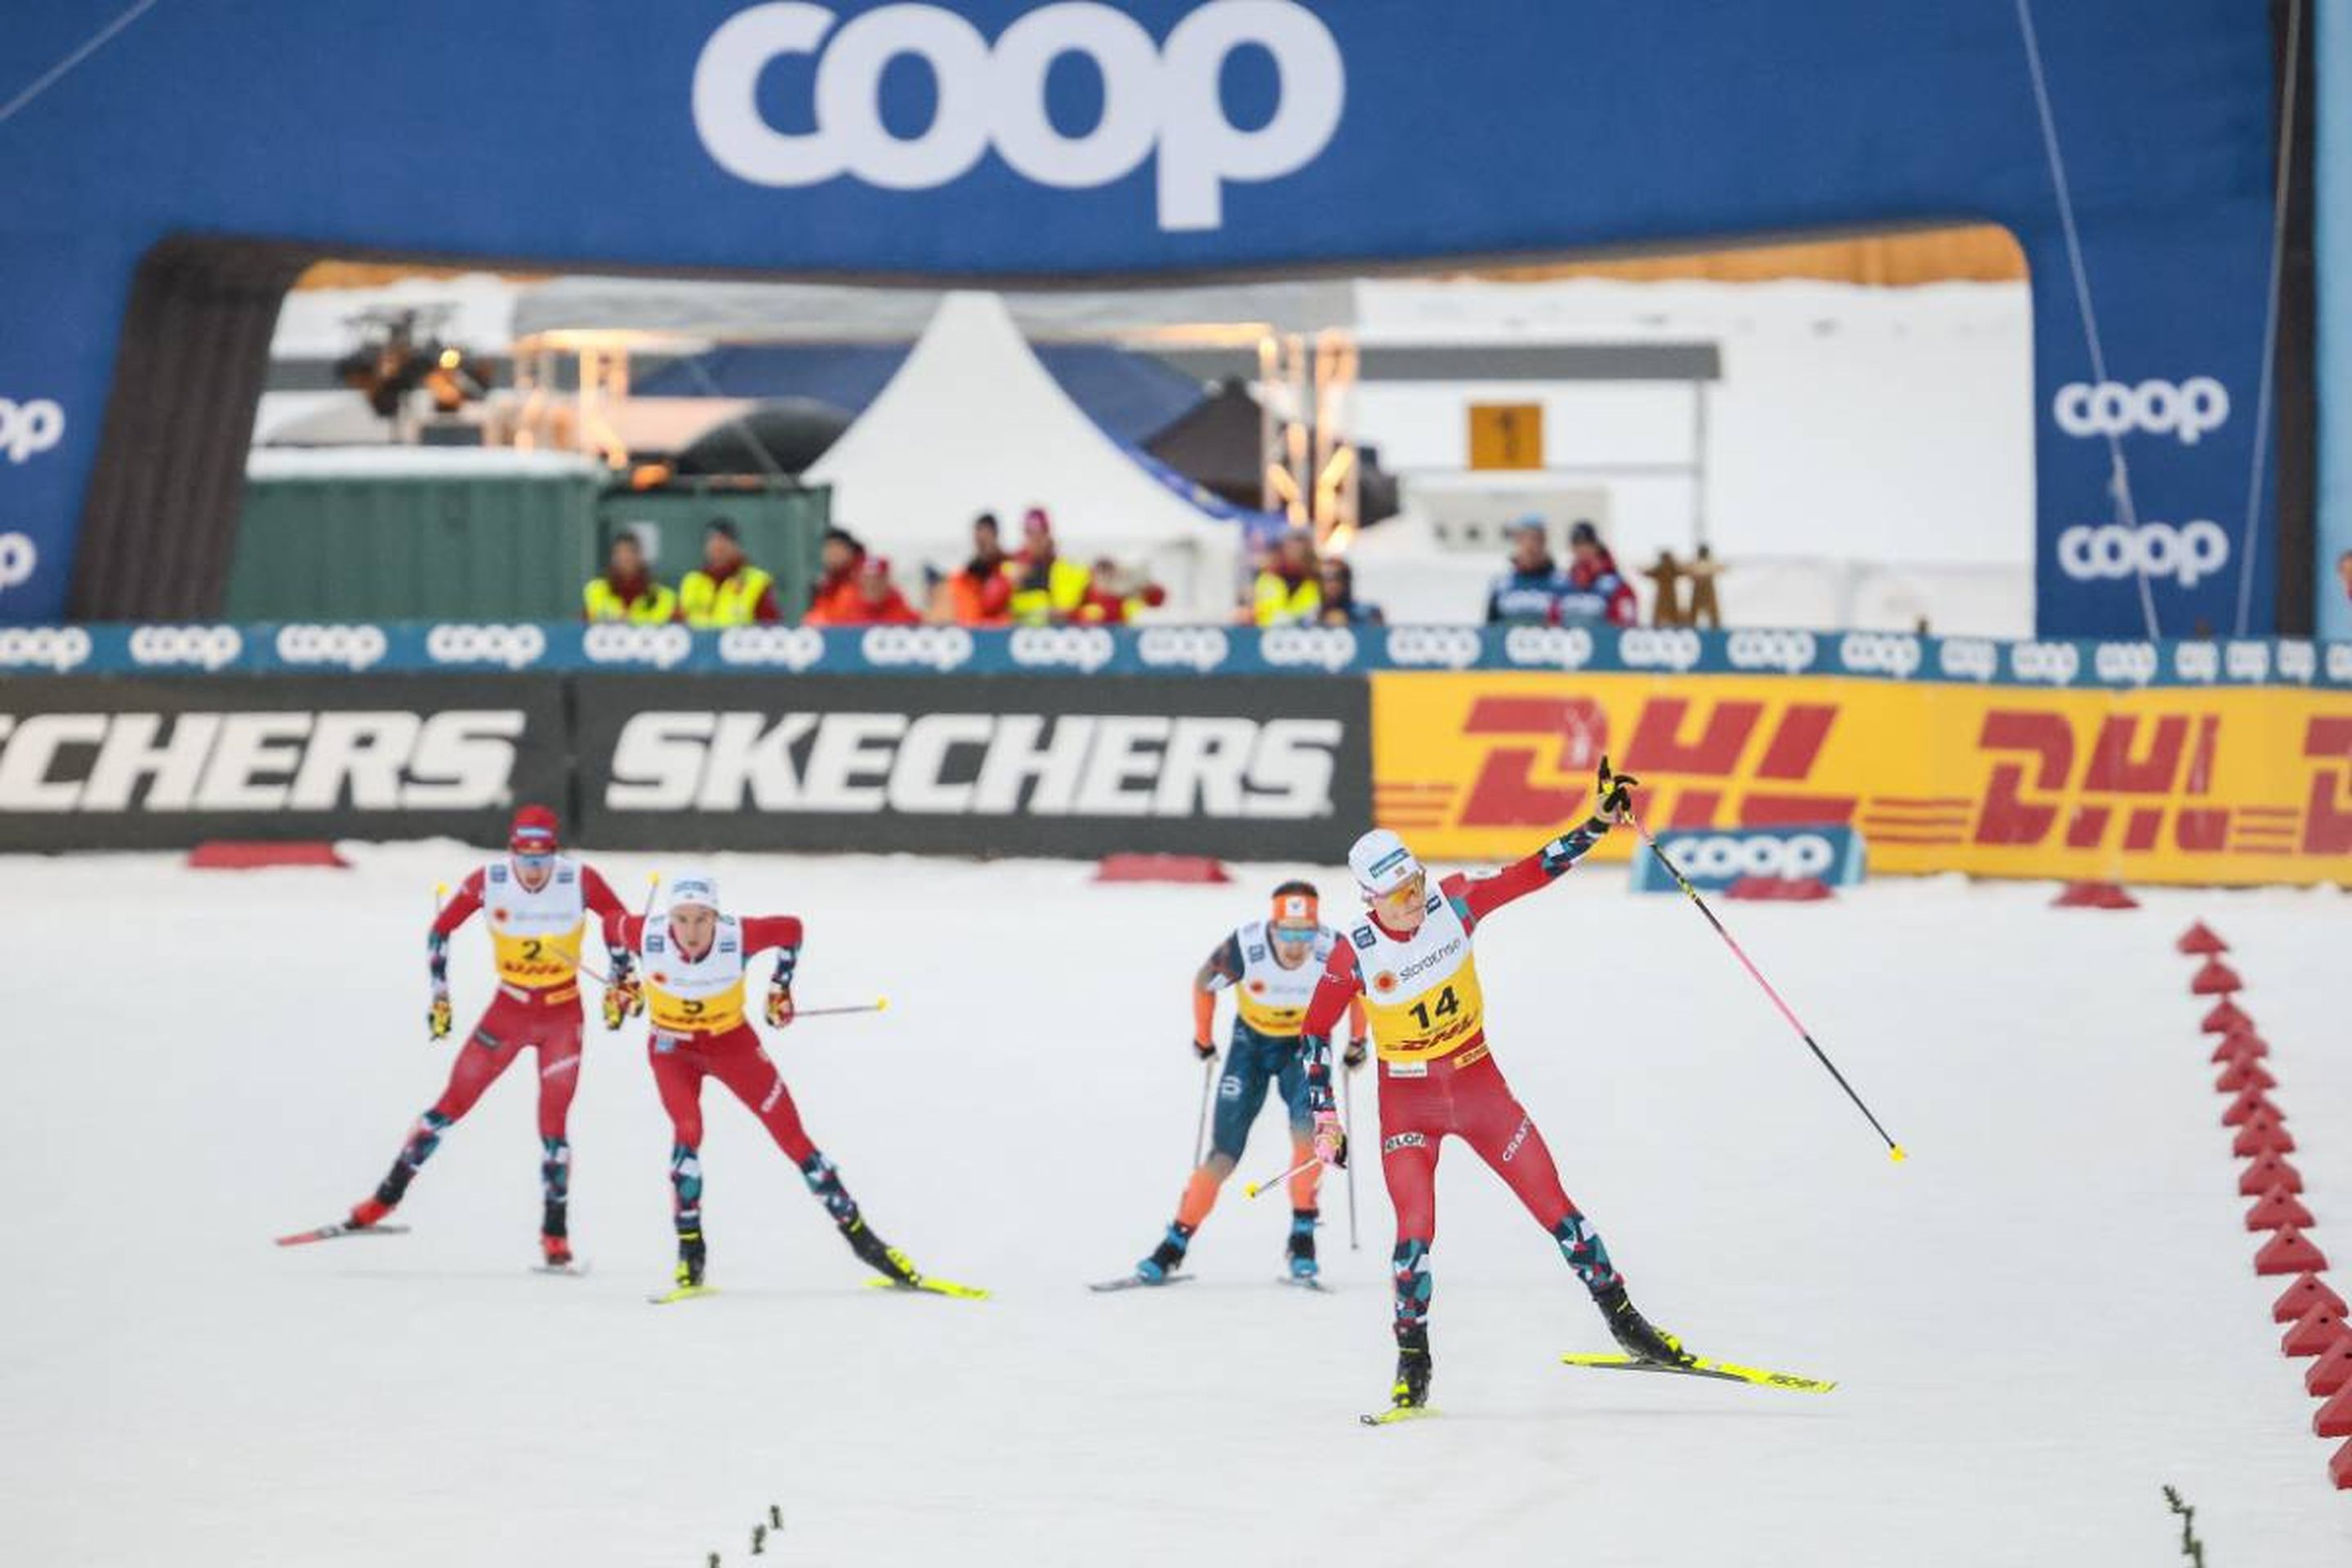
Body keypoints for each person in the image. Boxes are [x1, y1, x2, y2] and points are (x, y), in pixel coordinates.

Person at [1294, 760, 1695, 1418]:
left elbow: (1529, 872)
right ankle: (1413, 1363)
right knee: (1415, 1233)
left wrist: (1595, 823)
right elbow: (1312, 1036)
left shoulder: (1452, 901)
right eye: (1396, 893)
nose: (1412, 898)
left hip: (1479, 1084)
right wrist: (1327, 1121)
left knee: (1556, 1207)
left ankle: (1627, 1324)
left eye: (1415, 881)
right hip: (1409, 1101)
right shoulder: (1353, 953)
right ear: (1369, 899)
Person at [602, 871, 951, 1297]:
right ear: (669, 918)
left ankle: (866, 1243)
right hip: (672, 1050)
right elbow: (609, 926)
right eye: (682, 920)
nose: (691, 932)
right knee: (688, 1131)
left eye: (701, 920)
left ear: (716, 917)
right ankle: (690, 1253)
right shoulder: (647, 934)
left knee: (793, 1138)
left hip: (732, 1045)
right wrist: (623, 980)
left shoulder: (740, 936)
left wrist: (779, 989)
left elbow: (791, 930)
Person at [330, 807, 632, 1269]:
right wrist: (440, 999)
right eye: (524, 857)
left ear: (555, 853)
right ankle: (382, 1201)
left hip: (561, 1017)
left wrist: (620, 979)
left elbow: (621, 924)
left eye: (543, 858)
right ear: (511, 852)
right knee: (448, 1108)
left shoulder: (580, 880)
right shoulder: (488, 880)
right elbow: (441, 930)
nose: (533, 869)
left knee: (554, 1127)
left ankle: (555, 1237)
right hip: (507, 1012)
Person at [1106, 883, 1369, 1290]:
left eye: (1305, 933)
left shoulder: (1333, 947)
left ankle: (1302, 1242)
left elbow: (1359, 990)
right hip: (1251, 1045)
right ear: (1272, 927)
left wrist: (1357, 1042)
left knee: (1310, 1141)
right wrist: (1203, 1038)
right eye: (1287, 933)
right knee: (1224, 1154)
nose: (1297, 945)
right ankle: (1172, 1246)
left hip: (1306, 1047)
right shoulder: (1247, 946)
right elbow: (1202, 982)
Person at [679, 518, 782, 626]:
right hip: (698, 643)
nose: (717, 546)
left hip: (738, 642)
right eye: (712, 540)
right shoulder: (692, 581)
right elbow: (679, 624)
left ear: (736, 546)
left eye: (724, 540)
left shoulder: (756, 581)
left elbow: (770, 628)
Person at [1007, 506, 1092, 625]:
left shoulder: (1064, 569)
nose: (1035, 539)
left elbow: (1064, 608)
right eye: (1030, 533)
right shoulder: (1013, 569)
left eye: (1040, 533)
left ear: (1048, 534)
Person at [929, 513, 1014, 626]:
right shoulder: (969, 572)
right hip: (976, 627)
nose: (982, 545)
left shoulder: (1008, 566)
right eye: (978, 541)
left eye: (985, 539)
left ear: (995, 536)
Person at [1554, 520, 1638, 627]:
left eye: (1587, 543)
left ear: (1597, 546)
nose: (1582, 549)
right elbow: (1553, 620)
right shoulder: (1562, 584)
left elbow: (1626, 624)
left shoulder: (1617, 586)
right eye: (1577, 544)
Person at [1484, 516, 1567, 624]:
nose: (1531, 545)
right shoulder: (1501, 584)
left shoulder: (1561, 583)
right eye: (1524, 539)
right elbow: (1490, 628)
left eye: (1537, 539)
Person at [582, 530, 677, 623]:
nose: (625, 558)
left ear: (640, 557)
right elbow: (583, 627)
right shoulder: (597, 591)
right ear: (612, 558)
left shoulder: (663, 597)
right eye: (619, 553)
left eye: (631, 552)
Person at [1249, 529, 1322, 626]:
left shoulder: (1317, 582)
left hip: (1304, 636)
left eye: (1301, 550)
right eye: (1291, 548)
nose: (1296, 554)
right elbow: (1260, 612)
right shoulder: (1268, 579)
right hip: (1268, 634)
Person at [801, 527, 869, 626]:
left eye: (838, 547)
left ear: (850, 551)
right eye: (828, 548)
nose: (833, 553)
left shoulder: (864, 580)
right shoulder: (822, 585)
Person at [1074, 557, 1169, 625]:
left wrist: (1147, 588)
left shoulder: (1128, 595)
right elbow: (1073, 615)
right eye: (1102, 573)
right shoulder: (1086, 593)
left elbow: (1157, 600)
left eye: (1110, 572)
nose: (1106, 577)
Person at [835, 555, 921, 626]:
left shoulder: (902, 611)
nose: (872, 584)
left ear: (887, 580)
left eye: (878, 578)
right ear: (859, 579)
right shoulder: (845, 607)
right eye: (867, 578)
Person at [1316, 556, 1383, 626]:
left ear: (1346, 581)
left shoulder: (1369, 612)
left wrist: (1349, 622)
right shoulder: (1311, 618)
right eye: (1324, 578)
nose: (1331, 585)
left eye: (1336, 577)